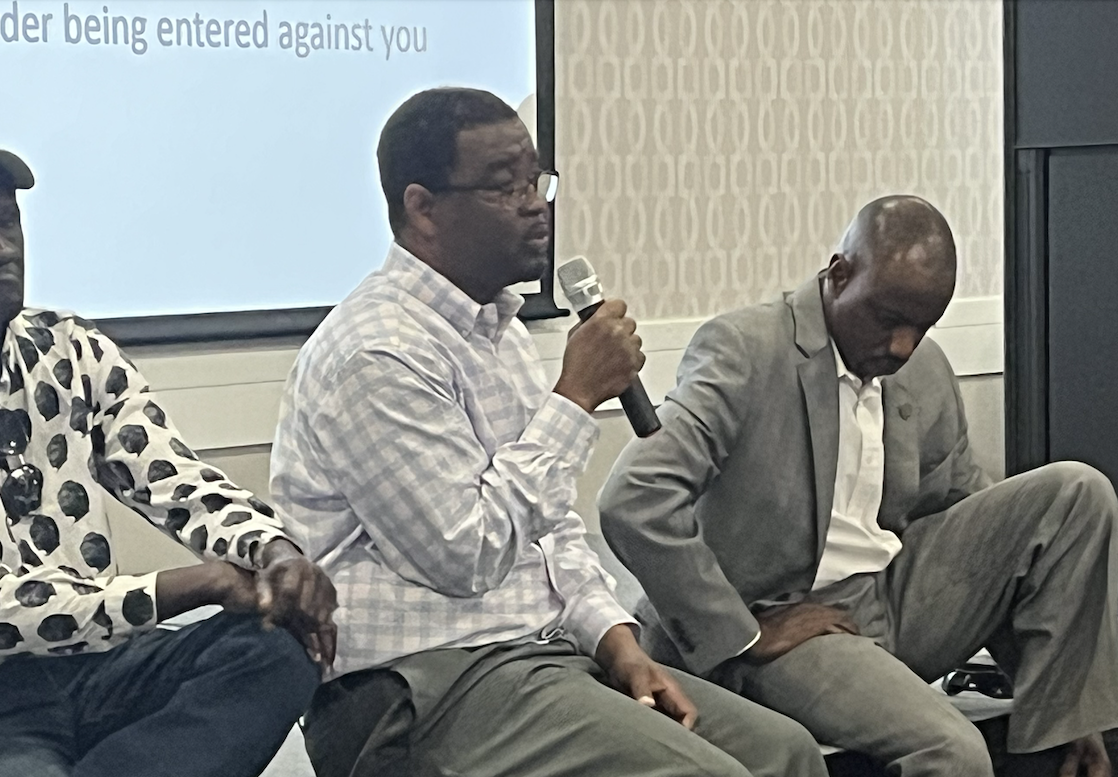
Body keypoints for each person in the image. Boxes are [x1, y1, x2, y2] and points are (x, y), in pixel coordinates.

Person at [269, 87, 828, 777]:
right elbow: (465, 554)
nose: (536, 204)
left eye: (536, 181)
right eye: (504, 187)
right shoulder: (375, 353)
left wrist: (616, 638)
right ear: (422, 208)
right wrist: (575, 396)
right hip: (419, 688)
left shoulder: (492, 331)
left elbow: (551, 526)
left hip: (535, 655)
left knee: (786, 751)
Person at [0, 127, 339, 777]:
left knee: (274, 652)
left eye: (6, 222)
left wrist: (272, 551)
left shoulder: (67, 348)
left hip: (90, 666)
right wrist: (191, 583)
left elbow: (176, 481)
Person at [600, 195, 1118, 776]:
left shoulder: (924, 368)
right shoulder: (746, 349)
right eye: (887, 318)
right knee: (952, 751)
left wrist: (1069, 704)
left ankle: (1062, 731)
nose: (902, 346)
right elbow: (635, 498)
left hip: (887, 598)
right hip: (786, 618)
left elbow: (969, 518)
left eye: (921, 327)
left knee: (1078, 491)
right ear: (839, 275)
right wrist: (742, 636)